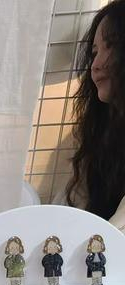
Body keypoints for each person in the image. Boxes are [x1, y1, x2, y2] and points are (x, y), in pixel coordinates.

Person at [66, 0, 125, 229]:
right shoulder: (100, 128)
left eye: (112, 46)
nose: (96, 64)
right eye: (94, 52)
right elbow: (76, 200)